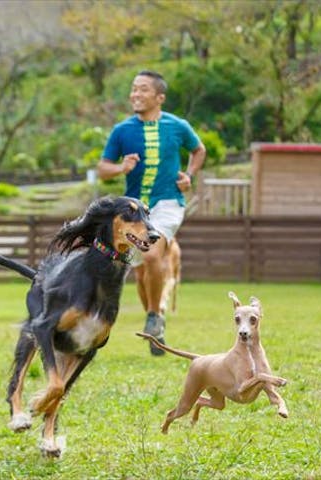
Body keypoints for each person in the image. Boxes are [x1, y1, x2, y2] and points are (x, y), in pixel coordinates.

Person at [97, 70, 206, 356]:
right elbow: (103, 169)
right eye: (133, 89)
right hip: (134, 210)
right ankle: (155, 322)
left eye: (142, 89)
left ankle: (155, 316)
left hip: (168, 202)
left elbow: (199, 150)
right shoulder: (122, 131)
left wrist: (189, 175)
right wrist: (121, 168)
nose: (135, 94)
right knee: (143, 272)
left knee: (153, 254)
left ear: (159, 97)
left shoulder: (177, 126)